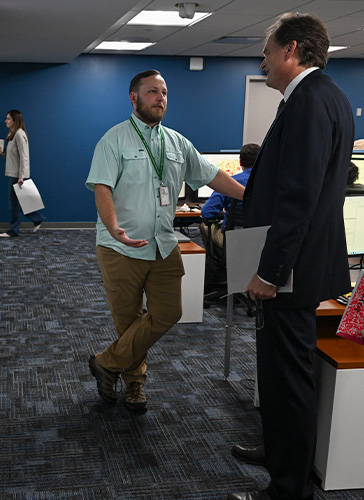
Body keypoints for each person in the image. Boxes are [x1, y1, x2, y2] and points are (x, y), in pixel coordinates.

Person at [228, 13, 355, 500]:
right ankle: (280, 450)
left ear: (291, 50)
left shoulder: (308, 103)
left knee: (289, 376)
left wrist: (269, 271)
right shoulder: (328, 97)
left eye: (266, 50)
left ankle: (288, 487)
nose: (261, 60)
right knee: (278, 373)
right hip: (302, 263)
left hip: (290, 270)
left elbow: (298, 198)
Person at [85, 69, 245, 413]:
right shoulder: (113, 141)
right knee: (128, 319)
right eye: (153, 92)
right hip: (121, 247)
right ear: (134, 98)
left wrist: (247, 194)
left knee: (169, 311)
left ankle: (106, 362)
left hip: (163, 243)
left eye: (164, 92)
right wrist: (113, 228)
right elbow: (102, 187)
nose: (161, 98)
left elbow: (212, 175)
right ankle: (135, 384)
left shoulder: (176, 142)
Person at [200, 143, 260, 250]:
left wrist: (224, 214)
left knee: (203, 226)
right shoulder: (272, 183)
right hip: (262, 238)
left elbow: (206, 213)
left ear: (240, 162)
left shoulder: (229, 183)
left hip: (234, 239)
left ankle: (215, 263)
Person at [0, 109, 45, 237]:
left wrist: (21, 176)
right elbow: (14, 157)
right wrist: (2, 153)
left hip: (18, 175)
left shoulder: (19, 134)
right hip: (15, 173)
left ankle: (14, 230)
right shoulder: (13, 134)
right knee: (19, 203)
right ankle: (36, 219)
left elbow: (24, 157)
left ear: (15, 121)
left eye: (8, 119)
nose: (5, 121)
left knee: (14, 203)